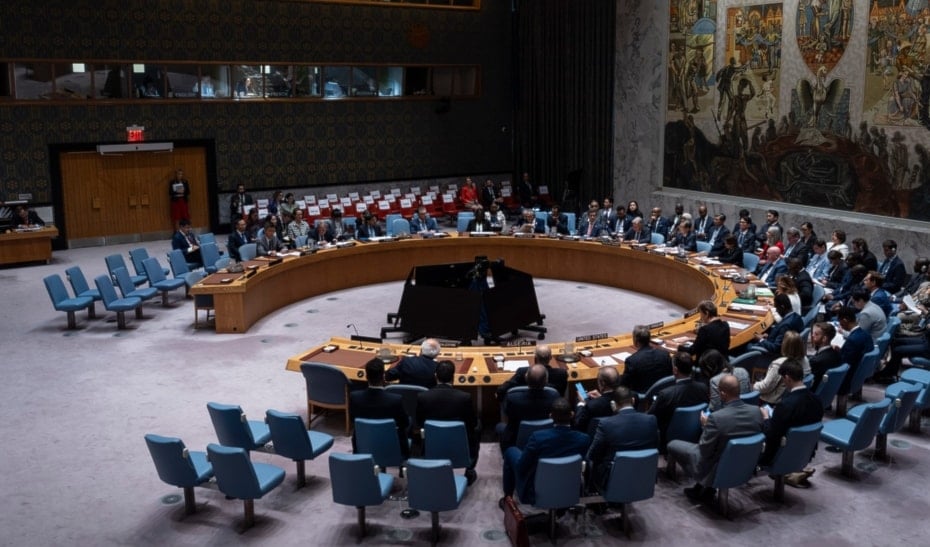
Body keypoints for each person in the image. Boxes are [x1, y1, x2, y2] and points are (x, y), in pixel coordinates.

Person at [666, 375, 764, 503]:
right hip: (744, 464)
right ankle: (702, 488)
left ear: (723, 393)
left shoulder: (716, 418)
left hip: (715, 465)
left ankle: (699, 482)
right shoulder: (756, 411)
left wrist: (705, 426)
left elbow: (704, 451)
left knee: (673, 444)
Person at [500, 397, 590, 505]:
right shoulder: (584, 439)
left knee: (511, 451)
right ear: (572, 414)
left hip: (535, 492)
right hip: (570, 489)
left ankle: (507, 499)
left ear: (550, 416)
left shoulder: (538, 438)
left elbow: (521, 468)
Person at [415, 360, 480, 484]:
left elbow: (419, 422)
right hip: (458, 440)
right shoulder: (465, 397)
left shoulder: (423, 397)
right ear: (453, 377)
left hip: (431, 440)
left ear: (435, 376)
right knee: (478, 428)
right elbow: (472, 423)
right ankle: (469, 468)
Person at [587, 387, 659, 491]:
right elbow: (655, 446)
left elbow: (592, 455)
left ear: (613, 404)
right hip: (644, 474)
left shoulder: (606, 424)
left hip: (613, 478)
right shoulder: (651, 419)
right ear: (633, 401)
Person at [758, 360, 824, 466]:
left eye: (783, 379)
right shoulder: (817, 400)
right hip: (807, 451)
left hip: (781, 454)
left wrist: (766, 417)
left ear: (787, 378)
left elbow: (771, 435)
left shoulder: (785, 406)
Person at [349, 358, 410, 459]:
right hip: (391, 446)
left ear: (366, 376)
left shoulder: (355, 397)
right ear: (383, 377)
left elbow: (353, 420)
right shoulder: (395, 400)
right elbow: (404, 423)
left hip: (364, 444)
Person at [648, 352, 708, 450]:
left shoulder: (666, 394)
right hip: (696, 433)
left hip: (668, 437)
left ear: (675, 370)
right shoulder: (703, 388)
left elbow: (651, 417)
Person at [498, 364, 560, 451]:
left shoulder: (513, 398)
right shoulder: (554, 396)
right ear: (546, 381)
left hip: (515, 439)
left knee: (499, 426)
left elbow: (507, 413)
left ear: (526, 378)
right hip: (546, 439)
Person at [753, 331, 810, 406]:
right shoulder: (805, 360)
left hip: (772, 401)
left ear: (785, 345)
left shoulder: (778, 364)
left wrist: (754, 385)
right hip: (792, 398)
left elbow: (765, 387)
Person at [497, 345, 568, 400]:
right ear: (550, 358)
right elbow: (561, 394)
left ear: (535, 358)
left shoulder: (523, 372)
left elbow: (502, 390)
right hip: (550, 411)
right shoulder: (562, 374)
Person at [621, 325, 673, 394]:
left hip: (644, 397)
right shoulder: (665, 354)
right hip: (665, 393)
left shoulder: (632, 361)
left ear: (635, 341)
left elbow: (625, 385)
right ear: (649, 339)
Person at [836, 306, 873, 397]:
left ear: (844, 320)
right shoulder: (866, 335)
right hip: (860, 372)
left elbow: (844, 363)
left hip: (849, 376)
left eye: (840, 322)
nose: (840, 325)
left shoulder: (852, 340)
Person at [573, 366, 621, 434]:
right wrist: (601, 397)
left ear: (602, 383)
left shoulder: (591, 405)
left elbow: (578, 424)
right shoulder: (626, 398)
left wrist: (582, 403)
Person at [808, 322, 842, 391]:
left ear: (824, 339)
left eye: (816, 334)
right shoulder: (837, 353)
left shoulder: (816, 361)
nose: (812, 335)